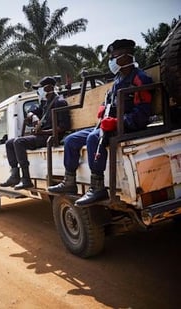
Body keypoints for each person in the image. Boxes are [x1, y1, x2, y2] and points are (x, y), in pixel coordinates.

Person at [48, 39, 153, 206]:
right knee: (71, 140)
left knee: (93, 139)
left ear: (126, 57)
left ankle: (97, 187)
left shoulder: (140, 79)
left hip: (127, 126)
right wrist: (103, 110)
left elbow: (142, 116)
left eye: (114, 56)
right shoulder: (118, 79)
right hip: (109, 124)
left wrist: (118, 121)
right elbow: (109, 101)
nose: (111, 61)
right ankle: (69, 181)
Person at [0, 76, 71, 190]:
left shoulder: (59, 102)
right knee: (9, 143)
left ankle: (26, 179)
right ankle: (15, 174)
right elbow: (31, 112)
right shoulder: (45, 103)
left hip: (50, 137)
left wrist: (42, 131)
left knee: (19, 142)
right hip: (42, 135)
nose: (39, 91)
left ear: (48, 88)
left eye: (40, 88)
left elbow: (63, 127)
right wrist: (33, 116)